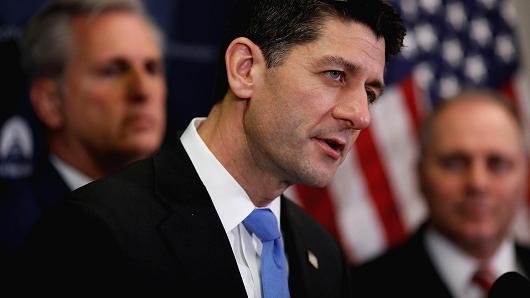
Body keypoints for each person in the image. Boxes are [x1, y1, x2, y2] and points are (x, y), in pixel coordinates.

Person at [17, 0, 405, 296]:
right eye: (336, 75)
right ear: (245, 69)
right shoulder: (97, 233)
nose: (360, 115)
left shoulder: (323, 256)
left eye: (370, 93)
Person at [0, 0, 166, 259]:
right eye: (113, 70)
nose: (143, 90)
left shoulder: (175, 221)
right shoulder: (17, 232)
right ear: (50, 102)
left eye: (152, 68)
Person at [351, 90, 530, 298]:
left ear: (524, 175)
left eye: (497, 163)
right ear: (420, 175)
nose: (478, 183)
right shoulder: (358, 289)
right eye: (454, 163)